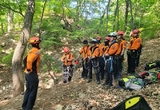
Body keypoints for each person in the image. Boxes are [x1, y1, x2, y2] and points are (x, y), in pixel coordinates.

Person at [22, 36, 42, 110]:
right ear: (36, 44)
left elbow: (25, 60)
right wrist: (29, 69)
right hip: (32, 74)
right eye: (39, 42)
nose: (40, 44)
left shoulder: (30, 51)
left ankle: (25, 107)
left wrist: (27, 70)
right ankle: (29, 108)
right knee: (33, 91)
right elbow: (29, 61)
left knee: (28, 91)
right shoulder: (35, 51)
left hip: (28, 74)